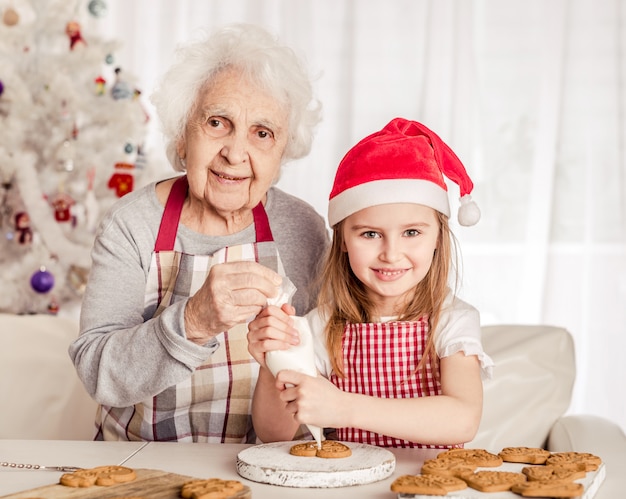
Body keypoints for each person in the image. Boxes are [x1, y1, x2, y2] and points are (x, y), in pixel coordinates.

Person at [69, 23, 329, 443]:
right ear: (183, 134)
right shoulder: (131, 225)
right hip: (141, 460)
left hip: (265, 466)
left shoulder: (302, 229)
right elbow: (97, 372)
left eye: (262, 133)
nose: (235, 152)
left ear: (283, 150)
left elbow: (326, 370)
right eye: (217, 123)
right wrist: (193, 321)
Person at [248, 117, 494, 448]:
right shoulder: (322, 326)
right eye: (370, 234)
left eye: (411, 232)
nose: (391, 254)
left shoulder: (452, 321)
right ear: (344, 240)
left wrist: (345, 408)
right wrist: (272, 362)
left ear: (438, 236)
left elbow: (462, 420)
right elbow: (274, 434)